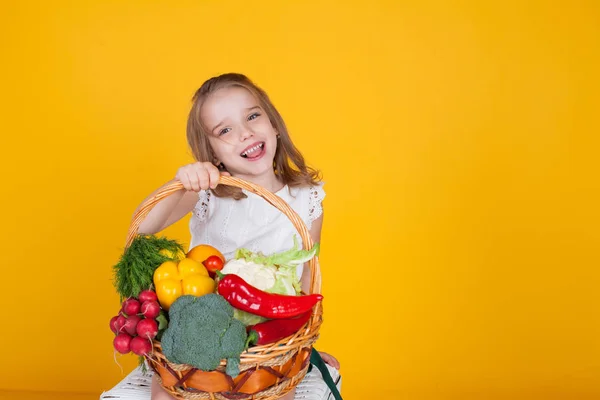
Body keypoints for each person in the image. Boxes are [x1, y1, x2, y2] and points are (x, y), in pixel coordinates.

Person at [132, 73, 340, 400]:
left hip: (265, 343)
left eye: (253, 116)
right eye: (224, 130)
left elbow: (306, 282)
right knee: (168, 392)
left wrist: (303, 346)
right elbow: (143, 226)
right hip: (200, 330)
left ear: (274, 125)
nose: (245, 133)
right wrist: (182, 182)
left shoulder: (306, 199)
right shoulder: (209, 192)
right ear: (211, 153)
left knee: (276, 391)